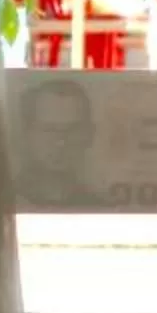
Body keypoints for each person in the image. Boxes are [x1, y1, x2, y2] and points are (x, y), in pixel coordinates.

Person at [13, 77, 102, 212]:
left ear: (89, 135)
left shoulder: (99, 207)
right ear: (26, 134)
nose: (60, 142)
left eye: (72, 131)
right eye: (48, 130)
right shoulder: (0, 201)